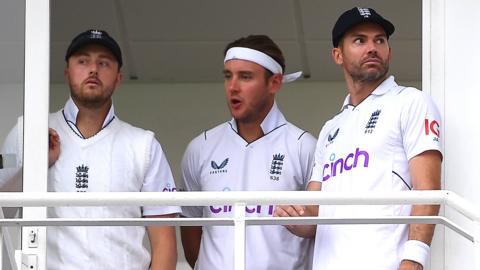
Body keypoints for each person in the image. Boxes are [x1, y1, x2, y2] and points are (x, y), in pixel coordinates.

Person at [274, 7, 443, 270]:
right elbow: (315, 212)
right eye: (359, 40)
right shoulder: (331, 128)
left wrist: (413, 261)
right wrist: (293, 218)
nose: (372, 47)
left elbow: (428, 190)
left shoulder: (410, 101)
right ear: (337, 55)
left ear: (389, 51)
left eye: (380, 40)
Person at [0, 29, 180, 270]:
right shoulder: (29, 130)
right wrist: (33, 166)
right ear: (67, 72)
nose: (93, 69)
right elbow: (3, 207)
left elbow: (164, 243)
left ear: (118, 78)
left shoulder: (144, 145)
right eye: (83, 61)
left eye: (104, 63)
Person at [180, 35, 316, 270]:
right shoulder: (200, 148)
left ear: (274, 83)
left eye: (245, 77)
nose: (233, 87)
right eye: (228, 76)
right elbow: (191, 229)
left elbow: (322, 229)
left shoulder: (304, 146)